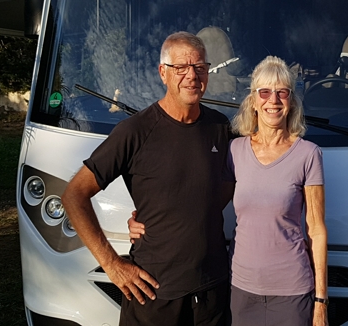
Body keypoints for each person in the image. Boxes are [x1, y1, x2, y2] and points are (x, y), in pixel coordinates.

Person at [131, 55, 329, 326]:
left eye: (282, 92)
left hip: (292, 291)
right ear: (253, 101)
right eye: (265, 92)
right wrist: (147, 221)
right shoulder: (235, 150)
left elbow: (316, 230)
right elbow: (205, 205)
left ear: (292, 101)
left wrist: (321, 301)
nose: (273, 100)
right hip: (240, 289)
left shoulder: (308, 154)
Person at [61, 31, 233, 326]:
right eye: (181, 67)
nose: (192, 76)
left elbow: (227, 185)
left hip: (211, 292)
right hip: (154, 294)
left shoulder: (220, 127)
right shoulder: (135, 131)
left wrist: (172, 213)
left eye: (200, 67)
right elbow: (74, 195)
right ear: (163, 73)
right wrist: (112, 265)